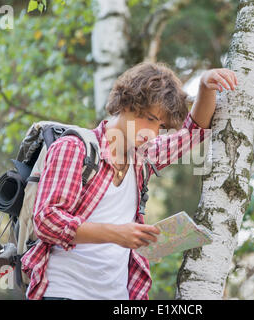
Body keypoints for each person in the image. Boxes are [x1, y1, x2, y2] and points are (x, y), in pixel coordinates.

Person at [21, 61, 238, 300]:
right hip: (64, 291)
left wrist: (206, 85)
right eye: (149, 118)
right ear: (125, 103)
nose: (153, 132)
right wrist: (117, 234)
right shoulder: (74, 147)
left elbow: (192, 133)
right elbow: (47, 220)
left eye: (161, 124)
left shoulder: (143, 156)